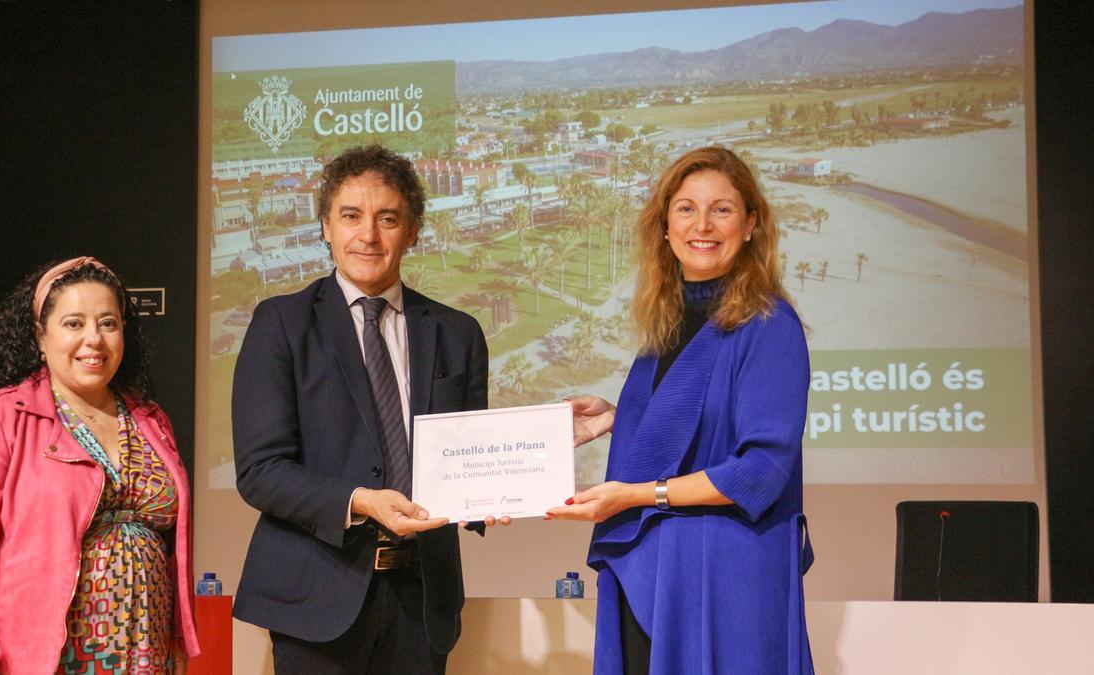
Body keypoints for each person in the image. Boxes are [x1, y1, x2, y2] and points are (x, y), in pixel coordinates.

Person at [231, 145, 501, 674]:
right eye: (351, 216)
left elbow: (472, 459)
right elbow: (260, 471)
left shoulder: (457, 333)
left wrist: (507, 480)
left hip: (421, 602)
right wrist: (360, 500)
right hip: (316, 599)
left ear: (414, 230)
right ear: (326, 227)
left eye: (388, 218)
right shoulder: (281, 324)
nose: (368, 236)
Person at [547, 147, 814, 673]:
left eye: (723, 209)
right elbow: (698, 417)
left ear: (751, 223)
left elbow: (761, 471)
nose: (703, 225)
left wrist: (638, 496)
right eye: (687, 208)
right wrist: (616, 416)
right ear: (665, 226)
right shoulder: (667, 324)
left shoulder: (769, 323)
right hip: (655, 571)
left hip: (723, 580)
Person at [0, 257, 199, 675]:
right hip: (48, 659)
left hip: (148, 653)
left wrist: (176, 640)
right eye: (74, 323)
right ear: (40, 335)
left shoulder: (150, 419)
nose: (94, 339)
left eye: (108, 323)